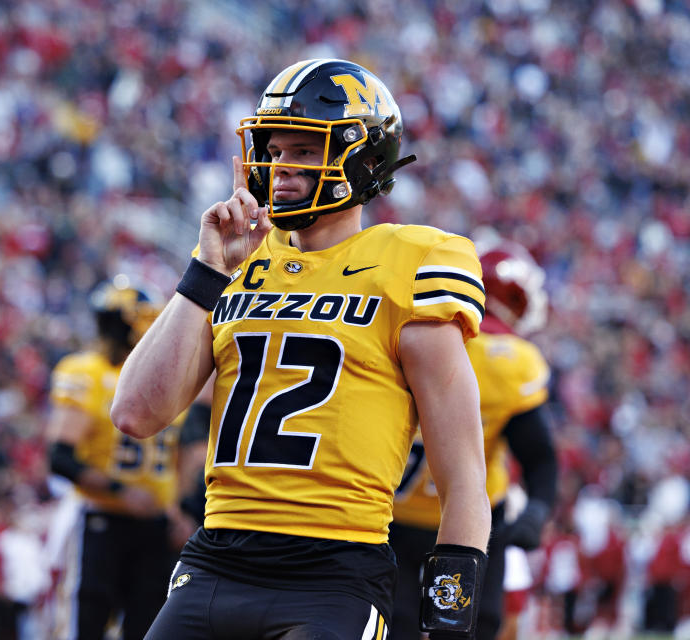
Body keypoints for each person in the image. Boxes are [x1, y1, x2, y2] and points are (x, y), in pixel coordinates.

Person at [111, 58, 491, 640]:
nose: (280, 166)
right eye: (276, 149)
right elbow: (136, 412)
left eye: (305, 151)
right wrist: (205, 270)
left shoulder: (410, 262)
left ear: (361, 159)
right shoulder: (238, 261)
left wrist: (449, 617)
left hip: (331, 576)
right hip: (213, 563)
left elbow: (464, 477)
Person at [390, 236, 558, 640]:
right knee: (468, 629)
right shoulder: (509, 362)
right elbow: (540, 456)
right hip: (466, 521)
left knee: (391, 625)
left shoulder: (405, 333)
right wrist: (536, 508)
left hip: (387, 514)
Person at [45, 276, 197, 640]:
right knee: (85, 624)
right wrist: (120, 491)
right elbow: (61, 458)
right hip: (102, 520)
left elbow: (183, 454)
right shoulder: (87, 372)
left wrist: (179, 510)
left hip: (155, 528)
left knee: (147, 629)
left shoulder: (170, 378)